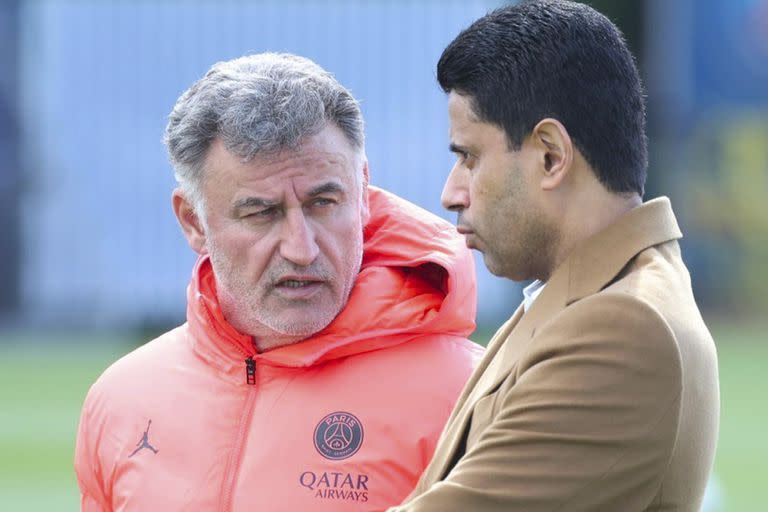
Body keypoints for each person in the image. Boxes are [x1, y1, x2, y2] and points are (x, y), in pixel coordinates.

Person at [74, 52, 483, 511]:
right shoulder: (121, 399)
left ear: (363, 191)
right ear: (193, 221)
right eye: (261, 213)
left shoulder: (473, 397)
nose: (301, 248)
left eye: (323, 202)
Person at [390, 2, 720, 511]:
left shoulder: (623, 325)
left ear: (551, 155)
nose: (451, 192)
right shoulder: (581, 294)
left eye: (469, 157)